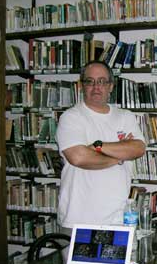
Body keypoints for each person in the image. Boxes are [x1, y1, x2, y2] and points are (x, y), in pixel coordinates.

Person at [56, 60, 146, 229]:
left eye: (102, 81)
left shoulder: (125, 116)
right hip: (78, 218)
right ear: (82, 85)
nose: (96, 87)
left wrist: (97, 146)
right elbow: (79, 157)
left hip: (118, 218)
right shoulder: (71, 117)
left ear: (111, 86)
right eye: (90, 81)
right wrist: (119, 157)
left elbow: (138, 148)